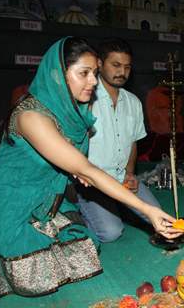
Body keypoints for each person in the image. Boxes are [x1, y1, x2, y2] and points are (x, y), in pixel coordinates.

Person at [0, 37, 181, 304]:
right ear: (58, 74)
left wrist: (79, 168)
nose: (93, 81)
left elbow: (75, 157)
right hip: (8, 199)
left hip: (43, 193)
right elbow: (85, 167)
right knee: (33, 274)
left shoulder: (71, 108)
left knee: (82, 251)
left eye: (94, 73)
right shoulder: (32, 116)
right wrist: (147, 210)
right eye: (84, 73)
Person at [76, 38, 161, 242]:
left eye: (127, 67)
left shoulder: (133, 102)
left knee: (156, 217)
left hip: (123, 178)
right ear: (99, 64)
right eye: (115, 65)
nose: (122, 72)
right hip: (91, 183)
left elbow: (132, 142)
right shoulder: (85, 99)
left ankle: (117, 207)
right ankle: (77, 212)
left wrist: (130, 173)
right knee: (111, 232)